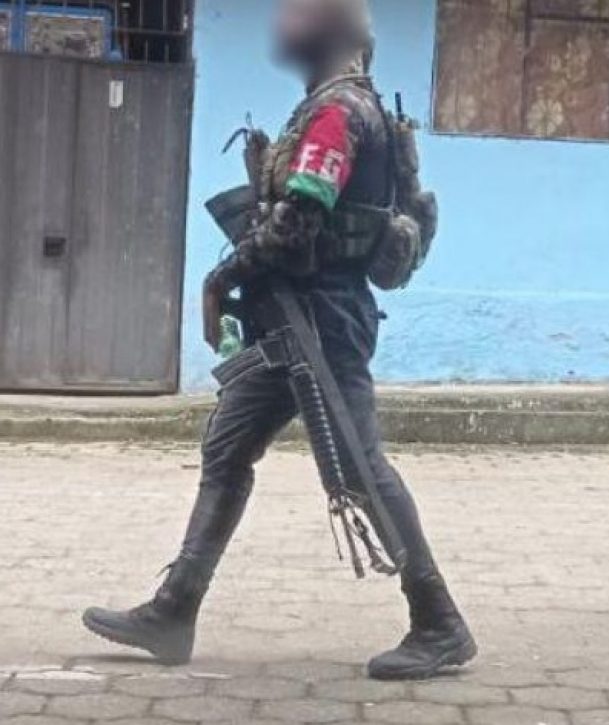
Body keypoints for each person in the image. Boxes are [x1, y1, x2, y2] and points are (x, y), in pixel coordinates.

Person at [81, 0, 476, 682]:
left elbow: (298, 222)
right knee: (227, 447)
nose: (285, 33)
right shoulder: (334, 106)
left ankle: (439, 622)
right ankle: (174, 610)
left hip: (322, 320)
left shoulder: (339, 113)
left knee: (360, 467)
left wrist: (221, 277)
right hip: (290, 320)